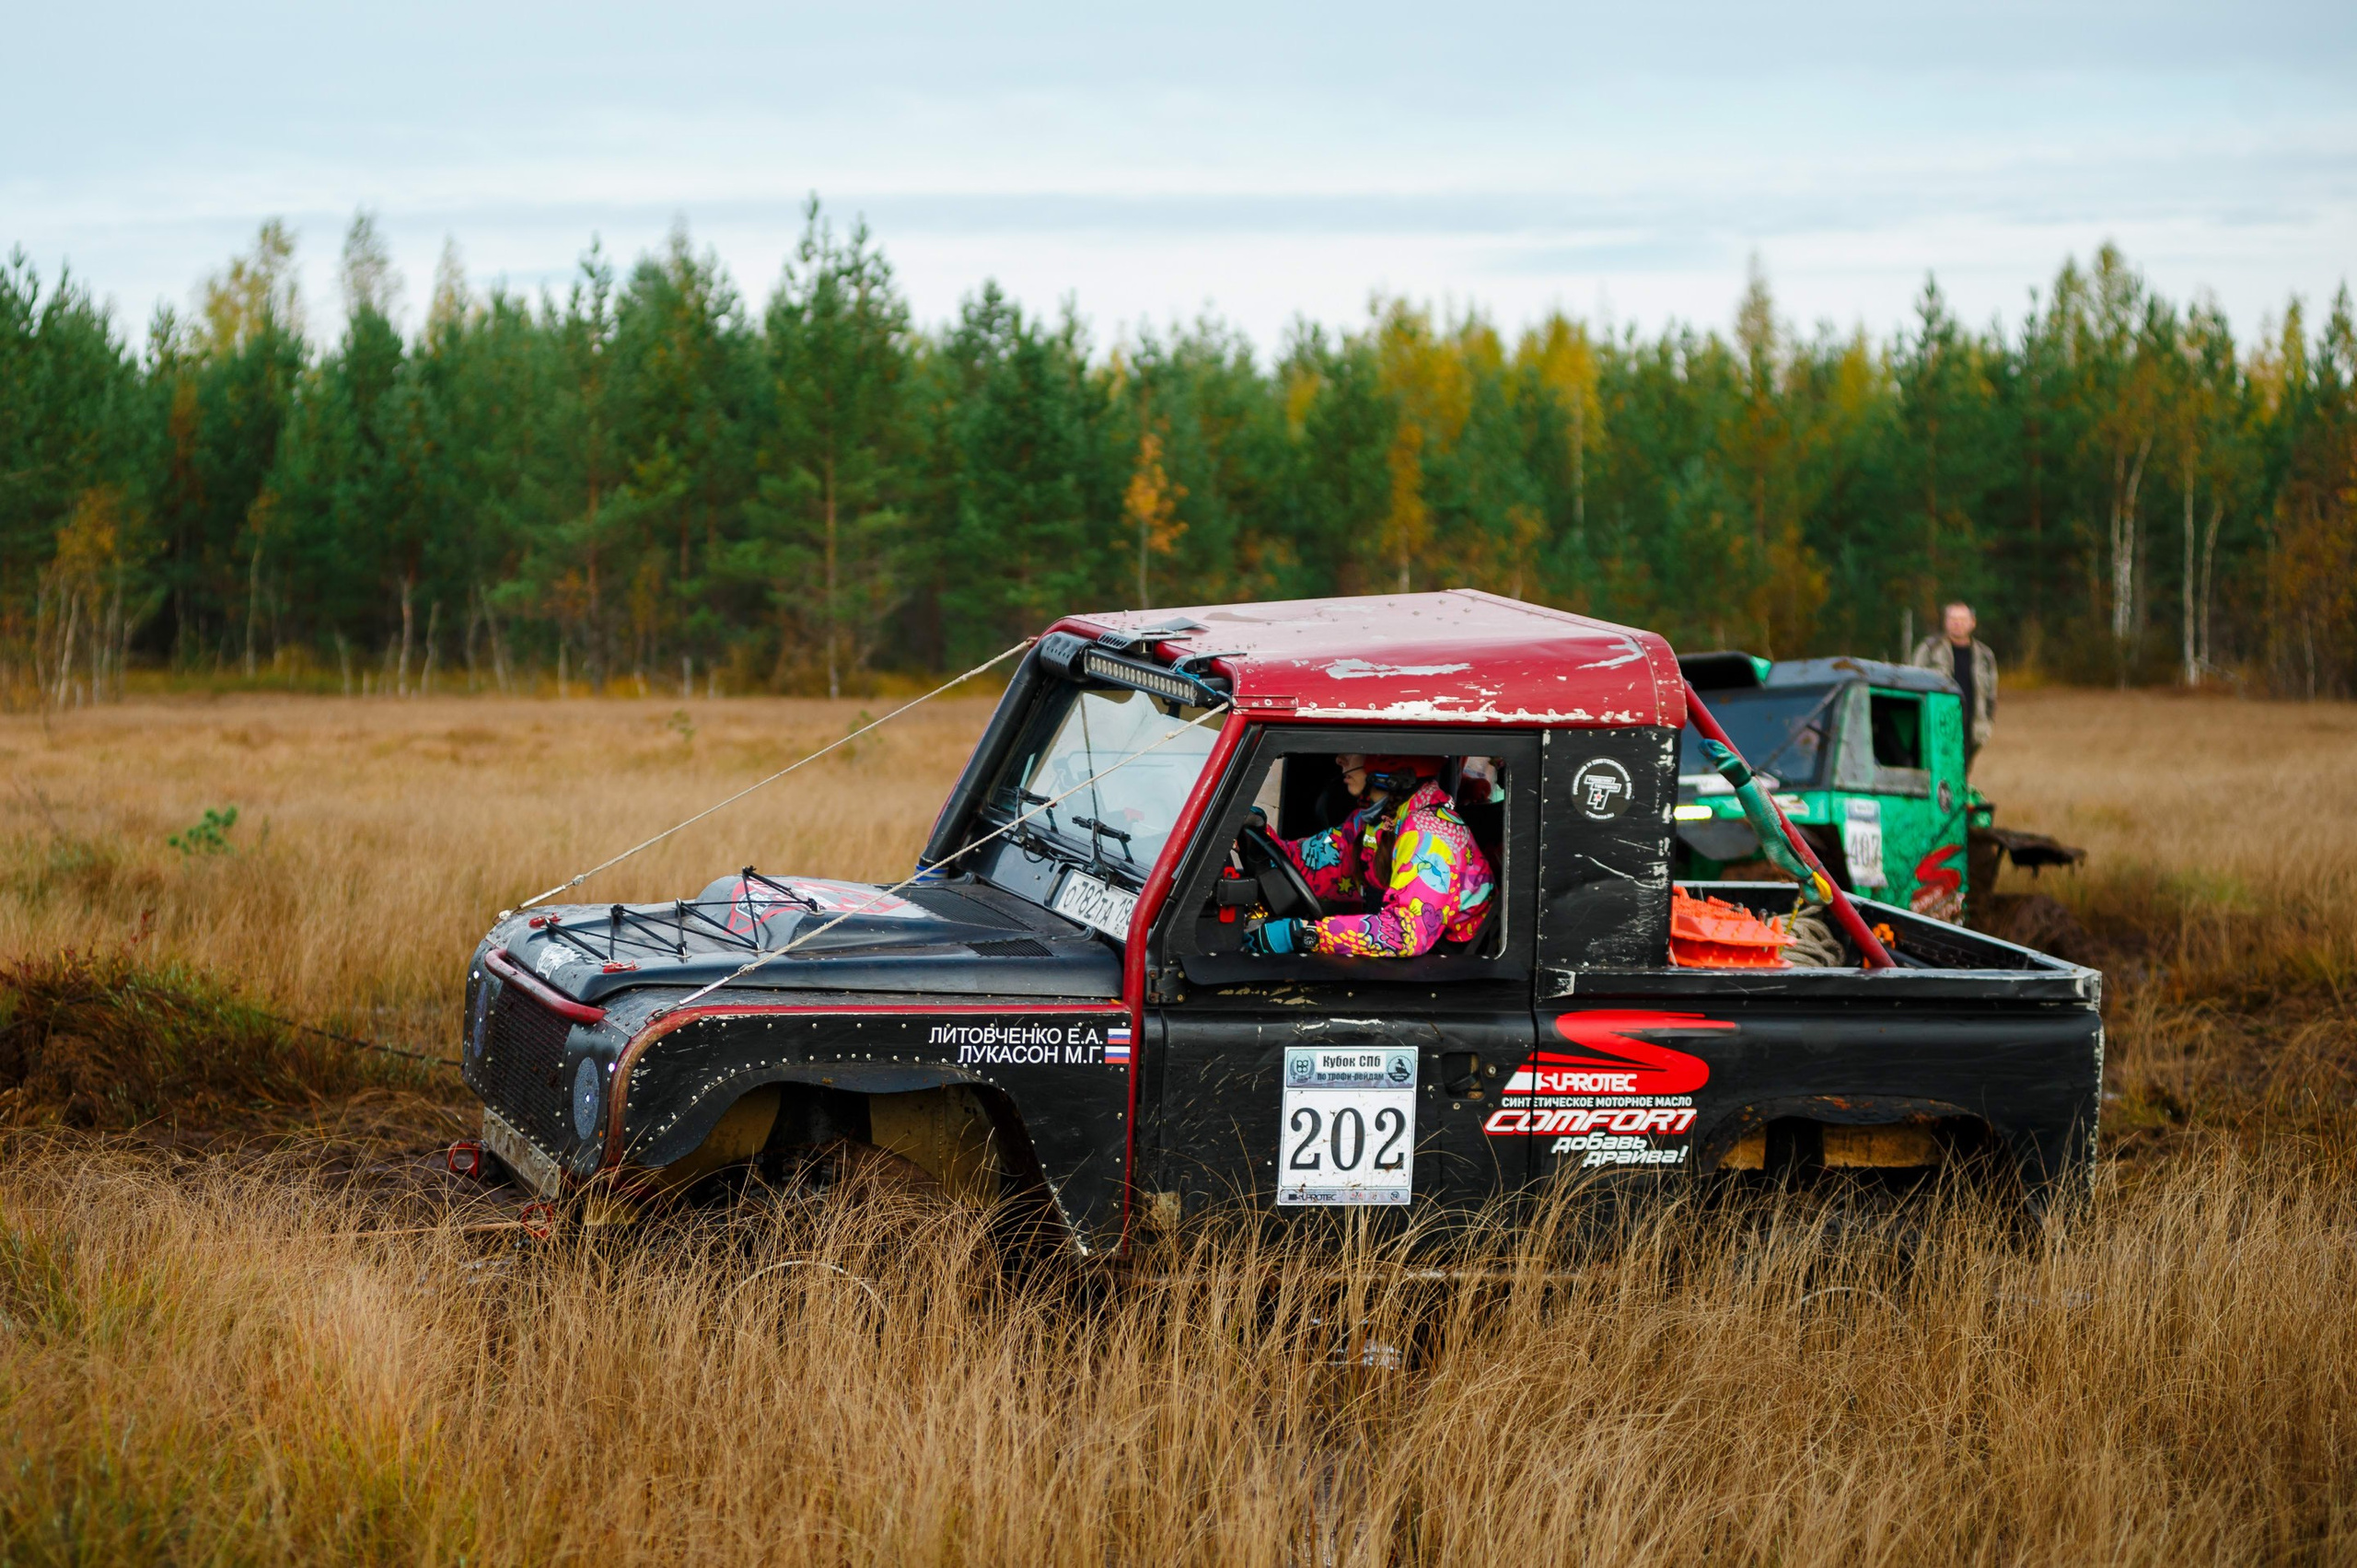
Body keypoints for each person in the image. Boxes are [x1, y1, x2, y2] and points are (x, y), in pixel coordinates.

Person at [1242, 754, 1495, 958]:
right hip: (1421, 960)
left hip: (1453, 968)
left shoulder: (1431, 835)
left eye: (1352, 749)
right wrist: (1254, 829)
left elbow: (1407, 933)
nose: (1339, 759)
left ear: (1386, 759)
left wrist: (1305, 935)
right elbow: (1311, 862)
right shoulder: (1376, 822)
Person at [1911, 601, 1998, 771]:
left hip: (1969, 727)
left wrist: (1986, 725)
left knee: (1959, 774)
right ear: (1945, 622)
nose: (1957, 623)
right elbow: (1912, 682)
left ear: (1972, 623)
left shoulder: (1985, 656)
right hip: (1933, 724)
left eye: (1962, 619)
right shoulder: (1929, 649)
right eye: (1953, 619)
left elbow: (1991, 696)